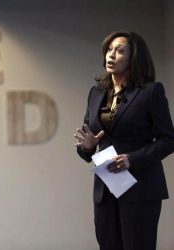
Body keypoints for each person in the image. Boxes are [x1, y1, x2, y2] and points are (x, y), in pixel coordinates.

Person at [74, 31, 174, 250]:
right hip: (106, 188)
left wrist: (132, 159)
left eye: (119, 51)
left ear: (133, 58)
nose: (111, 55)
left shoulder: (150, 92)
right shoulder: (96, 93)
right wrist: (87, 147)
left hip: (140, 188)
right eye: (109, 50)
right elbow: (87, 145)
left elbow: (168, 140)